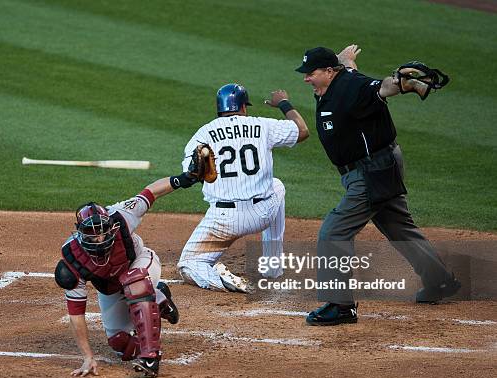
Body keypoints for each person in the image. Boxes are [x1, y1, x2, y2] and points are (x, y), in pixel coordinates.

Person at [282, 44, 460, 325]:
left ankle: (341, 306)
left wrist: (402, 83)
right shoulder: (340, 79)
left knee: (334, 232)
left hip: (370, 171)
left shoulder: (354, 87)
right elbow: (349, 73)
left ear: (329, 72)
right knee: (398, 225)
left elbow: (382, 88)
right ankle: (439, 281)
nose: (306, 78)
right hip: (379, 164)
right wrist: (347, 61)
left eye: (310, 73)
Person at [176, 83, 310, 292]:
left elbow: (193, 174)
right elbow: (302, 131)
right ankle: (273, 266)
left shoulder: (203, 134)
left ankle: (221, 278)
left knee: (189, 265)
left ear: (219, 108)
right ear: (244, 107)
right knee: (277, 186)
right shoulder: (263, 126)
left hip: (224, 221)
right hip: (262, 212)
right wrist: (284, 103)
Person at [54, 176, 183, 378]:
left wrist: (184, 178)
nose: (98, 238)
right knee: (121, 344)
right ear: (80, 233)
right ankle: (159, 299)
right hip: (111, 287)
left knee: (134, 283)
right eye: (91, 233)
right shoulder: (73, 258)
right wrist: (87, 357)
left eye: (103, 232)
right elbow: (76, 314)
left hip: (141, 264)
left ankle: (151, 356)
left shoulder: (122, 215)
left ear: (110, 227)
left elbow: (151, 192)